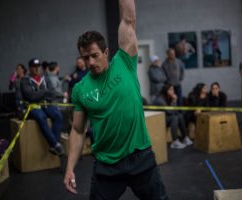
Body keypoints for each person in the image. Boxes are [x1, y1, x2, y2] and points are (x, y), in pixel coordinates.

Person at [63, 0, 169, 199]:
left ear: (106, 52)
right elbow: (78, 130)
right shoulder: (80, 89)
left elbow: (128, 19)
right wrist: (69, 168)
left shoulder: (124, 61)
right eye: (85, 58)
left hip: (141, 158)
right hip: (107, 166)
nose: (90, 62)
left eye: (94, 55)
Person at [20, 58, 64, 156]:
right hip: (33, 106)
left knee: (58, 115)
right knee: (41, 117)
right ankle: (55, 144)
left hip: (46, 104)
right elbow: (30, 96)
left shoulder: (45, 78)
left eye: (38, 66)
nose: (37, 69)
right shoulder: (25, 81)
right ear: (30, 68)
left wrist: (39, 94)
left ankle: (54, 145)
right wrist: (45, 92)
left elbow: (51, 93)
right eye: (34, 67)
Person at [154, 84, 192, 149]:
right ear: (166, 90)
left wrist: (173, 102)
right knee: (175, 118)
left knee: (179, 115)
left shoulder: (169, 97)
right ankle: (175, 142)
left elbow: (175, 111)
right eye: (171, 89)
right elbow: (170, 112)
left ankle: (185, 137)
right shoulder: (160, 99)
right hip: (157, 119)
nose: (173, 91)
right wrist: (174, 101)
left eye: (173, 89)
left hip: (165, 117)